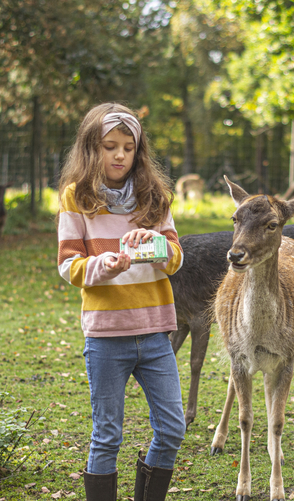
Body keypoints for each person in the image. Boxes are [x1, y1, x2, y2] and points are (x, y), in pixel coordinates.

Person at [57, 103, 186, 501]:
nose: (119, 155)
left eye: (128, 147)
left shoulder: (156, 197)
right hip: (106, 337)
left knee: (172, 429)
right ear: (91, 149)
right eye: (109, 146)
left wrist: (158, 243)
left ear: (138, 151)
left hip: (154, 335)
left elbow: (175, 260)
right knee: (107, 435)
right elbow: (68, 265)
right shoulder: (76, 198)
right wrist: (103, 266)